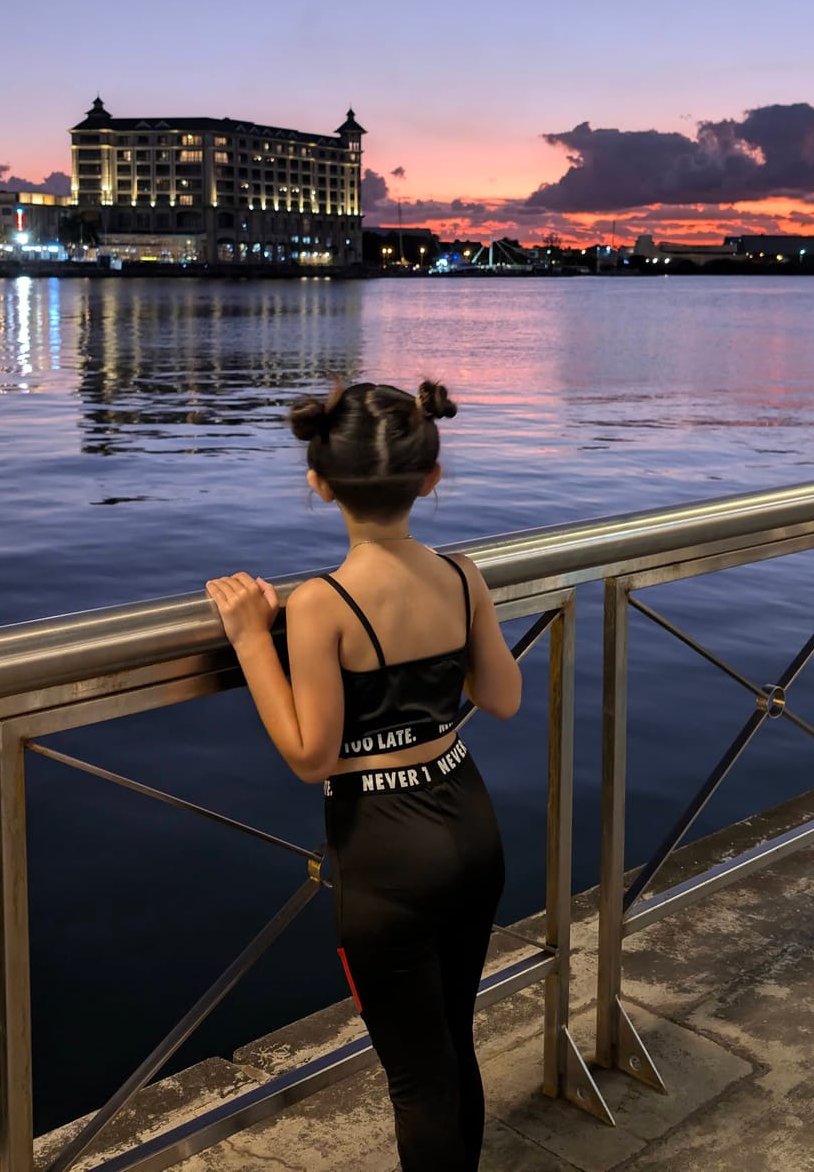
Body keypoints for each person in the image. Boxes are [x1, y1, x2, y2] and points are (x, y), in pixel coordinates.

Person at [205, 378, 524, 1172]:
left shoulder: (322, 604)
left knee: (417, 1079)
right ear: (431, 477)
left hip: (385, 847)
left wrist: (251, 639)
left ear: (320, 483)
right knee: (452, 1041)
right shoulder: (463, 575)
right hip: (469, 818)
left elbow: (310, 755)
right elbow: (503, 698)